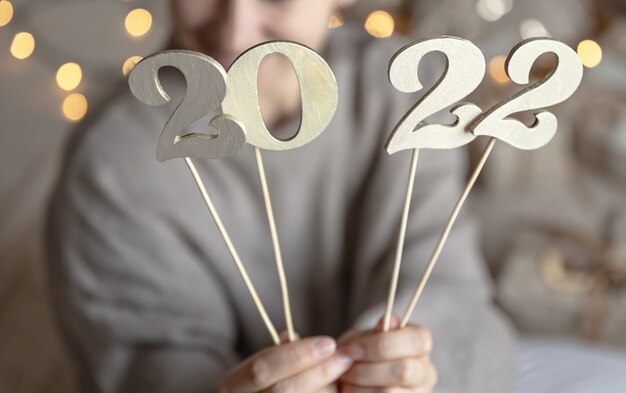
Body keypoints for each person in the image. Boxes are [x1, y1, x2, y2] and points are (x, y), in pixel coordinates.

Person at [46, 0, 516, 392]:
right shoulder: (114, 160)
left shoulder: (407, 90)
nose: (234, 32)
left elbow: (451, 296)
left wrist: (406, 368)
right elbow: (143, 365)